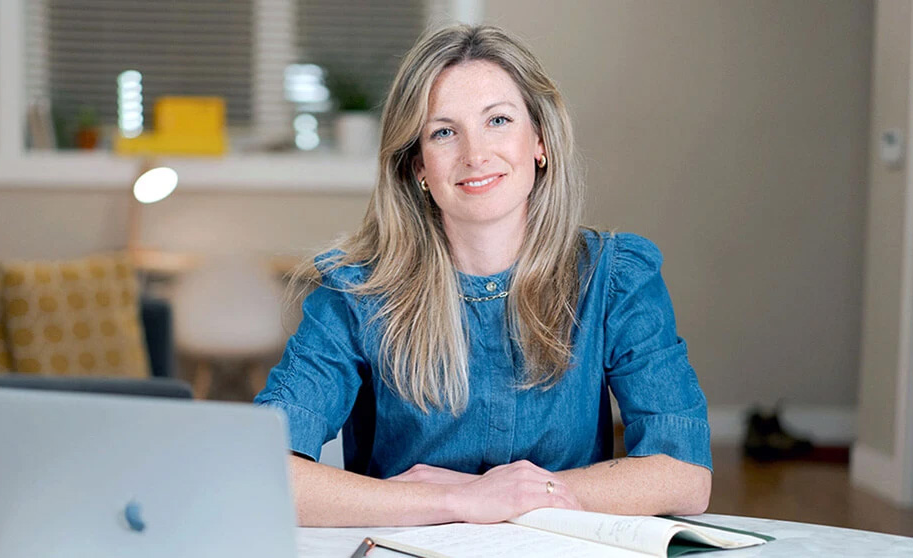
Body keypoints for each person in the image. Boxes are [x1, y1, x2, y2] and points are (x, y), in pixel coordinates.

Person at [253, 24, 712, 527]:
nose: (475, 154)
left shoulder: (615, 276)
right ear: (417, 166)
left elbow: (685, 475)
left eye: (498, 120)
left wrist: (507, 494)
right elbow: (263, 473)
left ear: (540, 141)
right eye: (444, 132)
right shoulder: (355, 290)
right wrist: (459, 502)